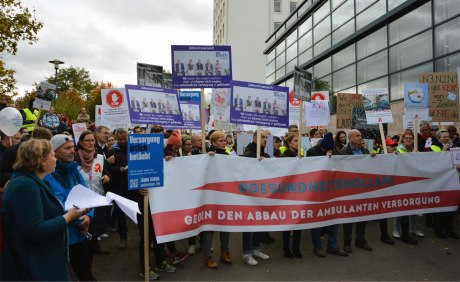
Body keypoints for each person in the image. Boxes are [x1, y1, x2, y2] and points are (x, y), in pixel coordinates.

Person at [1, 139, 89, 280]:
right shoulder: (25, 186)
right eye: (52, 155)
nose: (55, 158)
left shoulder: (34, 181)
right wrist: (68, 217)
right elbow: (35, 230)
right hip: (35, 266)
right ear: (41, 160)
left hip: (44, 260)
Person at [44, 134, 97, 281]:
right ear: (55, 152)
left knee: (86, 273)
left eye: (73, 148)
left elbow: (88, 196)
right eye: (67, 148)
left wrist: (89, 216)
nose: (72, 151)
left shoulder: (74, 170)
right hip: (63, 238)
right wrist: (79, 221)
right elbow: (55, 207)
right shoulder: (46, 176)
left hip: (80, 234)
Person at [307, 133, 349, 258]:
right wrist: (324, 159)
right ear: (323, 148)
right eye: (328, 149)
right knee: (316, 220)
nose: (330, 151)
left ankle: (332, 245)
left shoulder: (334, 151)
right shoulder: (311, 152)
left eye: (332, 149)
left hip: (332, 191)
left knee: (334, 218)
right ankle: (317, 246)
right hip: (316, 192)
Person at [337, 129, 376, 253]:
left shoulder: (366, 152)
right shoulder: (342, 153)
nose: (360, 138)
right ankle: (347, 242)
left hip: (363, 189)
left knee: (362, 216)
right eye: (357, 136)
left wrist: (374, 158)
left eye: (361, 135)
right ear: (350, 138)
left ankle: (360, 240)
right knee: (349, 217)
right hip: (349, 191)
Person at [75, 131, 111, 255]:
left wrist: (107, 177)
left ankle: (95, 245)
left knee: (97, 223)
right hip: (81, 198)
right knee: (84, 224)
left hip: (97, 196)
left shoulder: (100, 157)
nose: (90, 143)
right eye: (87, 140)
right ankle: (85, 248)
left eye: (92, 140)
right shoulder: (74, 158)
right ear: (81, 142)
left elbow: (106, 172)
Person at [202, 131, 232, 268]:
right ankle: (207, 256)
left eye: (224, 140)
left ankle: (224, 252)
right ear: (213, 143)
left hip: (224, 196)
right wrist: (207, 158)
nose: (223, 143)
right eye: (220, 141)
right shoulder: (205, 156)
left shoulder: (228, 156)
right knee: (209, 227)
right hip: (209, 197)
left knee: (225, 225)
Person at [241, 130, 270, 266]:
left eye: (266, 137)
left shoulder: (264, 152)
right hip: (250, 195)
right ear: (254, 138)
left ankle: (255, 248)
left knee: (260, 221)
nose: (265, 139)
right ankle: (246, 253)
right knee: (248, 224)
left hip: (261, 193)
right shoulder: (250, 152)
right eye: (262, 137)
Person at [392, 132, 422, 245]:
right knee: (399, 205)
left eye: (410, 138)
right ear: (403, 139)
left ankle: (413, 228)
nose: (409, 140)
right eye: (407, 138)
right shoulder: (399, 150)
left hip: (413, 182)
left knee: (413, 205)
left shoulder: (416, 150)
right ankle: (395, 229)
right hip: (401, 182)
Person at [430, 129, 459, 239]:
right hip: (440, 181)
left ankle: (449, 229)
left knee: (451, 206)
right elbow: (434, 163)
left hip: (453, 181)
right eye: (444, 137)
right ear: (438, 138)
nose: (447, 138)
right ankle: (439, 230)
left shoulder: (455, 147)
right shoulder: (433, 147)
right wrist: (443, 151)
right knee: (439, 207)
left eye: (448, 137)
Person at [279, 133, 303, 258]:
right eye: (295, 141)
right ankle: (286, 248)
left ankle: (296, 247)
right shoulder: (285, 156)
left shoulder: (299, 155)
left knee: (298, 221)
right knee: (288, 221)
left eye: (298, 141)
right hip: (288, 193)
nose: (298, 143)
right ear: (289, 143)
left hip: (298, 192)